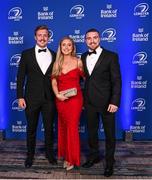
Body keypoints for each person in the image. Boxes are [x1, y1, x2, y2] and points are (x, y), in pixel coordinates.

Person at [81, 28, 122, 177]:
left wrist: (115, 101)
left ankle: (110, 163)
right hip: (89, 102)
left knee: (110, 135)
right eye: (89, 38)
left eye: (95, 37)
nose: (92, 40)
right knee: (91, 132)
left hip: (107, 103)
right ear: (85, 40)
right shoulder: (84, 56)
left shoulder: (111, 56)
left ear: (100, 39)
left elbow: (117, 81)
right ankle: (93, 156)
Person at [17, 25, 57, 168]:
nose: (42, 38)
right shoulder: (26, 54)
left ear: (49, 37)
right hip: (31, 98)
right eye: (39, 35)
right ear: (35, 37)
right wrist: (20, 97)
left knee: (49, 128)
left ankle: (49, 154)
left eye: (45, 35)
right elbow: (20, 77)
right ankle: (30, 155)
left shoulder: (54, 54)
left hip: (49, 99)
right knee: (31, 129)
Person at [51, 37, 84, 171]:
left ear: (73, 47)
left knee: (72, 127)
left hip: (75, 100)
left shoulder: (78, 62)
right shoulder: (57, 63)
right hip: (60, 99)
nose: (66, 47)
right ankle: (66, 156)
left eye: (69, 45)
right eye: (63, 45)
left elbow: (89, 79)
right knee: (63, 127)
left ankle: (72, 159)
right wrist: (57, 94)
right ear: (60, 47)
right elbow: (53, 81)